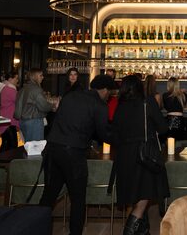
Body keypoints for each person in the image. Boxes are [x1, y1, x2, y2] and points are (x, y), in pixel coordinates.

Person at [39, 74, 113, 235]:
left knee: (48, 195)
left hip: (52, 148)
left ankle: (36, 230)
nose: (109, 96)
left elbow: (58, 120)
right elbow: (104, 134)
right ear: (105, 90)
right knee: (78, 198)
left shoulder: (71, 96)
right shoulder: (99, 105)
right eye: (110, 92)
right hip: (73, 153)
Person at [110, 75, 169, 235]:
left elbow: (114, 133)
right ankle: (128, 231)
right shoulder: (148, 102)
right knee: (144, 197)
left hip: (124, 156)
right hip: (144, 156)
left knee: (135, 194)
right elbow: (163, 128)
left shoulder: (120, 106)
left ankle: (143, 231)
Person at [16, 68, 55, 142]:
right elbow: (44, 106)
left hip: (23, 121)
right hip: (34, 122)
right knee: (36, 147)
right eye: (41, 75)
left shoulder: (23, 89)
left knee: (28, 146)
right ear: (34, 76)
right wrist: (53, 105)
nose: (43, 77)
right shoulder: (36, 89)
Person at [0, 71, 20, 152]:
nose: (17, 80)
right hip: (9, 120)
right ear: (10, 79)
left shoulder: (5, 88)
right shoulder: (10, 90)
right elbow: (20, 101)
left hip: (5, 118)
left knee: (6, 143)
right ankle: (6, 159)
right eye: (16, 78)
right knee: (12, 145)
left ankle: (0, 158)